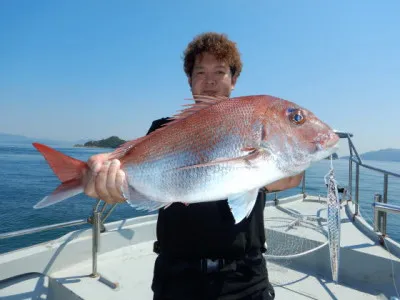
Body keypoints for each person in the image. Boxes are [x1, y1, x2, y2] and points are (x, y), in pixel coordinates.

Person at [82, 32, 303, 300]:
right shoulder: (161, 130)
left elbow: (290, 178)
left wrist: (287, 165)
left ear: (233, 80)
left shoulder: (251, 126)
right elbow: (131, 178)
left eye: (219, 71)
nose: (209, 80)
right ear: (189, 80)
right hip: (177, 279)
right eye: (200, 72)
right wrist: (109, 181)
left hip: (245, 278)